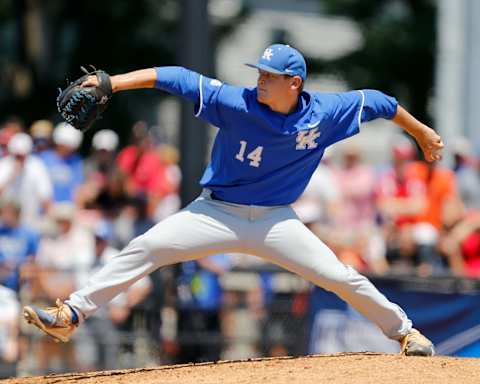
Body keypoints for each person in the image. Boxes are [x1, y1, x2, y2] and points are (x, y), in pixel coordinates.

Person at [23, 44, 443, 356]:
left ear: (293, 83)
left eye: (269, 75)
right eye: (259, 71)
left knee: (338, 275)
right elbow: (176, 77)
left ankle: (406, 332)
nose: (259, 79)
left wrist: (422, 131)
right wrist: (112, 82)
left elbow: (383, 103)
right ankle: (71, 315)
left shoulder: (326, 112)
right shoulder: (235, 102)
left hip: (276, 221)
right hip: (215, 211)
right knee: (146, 247)